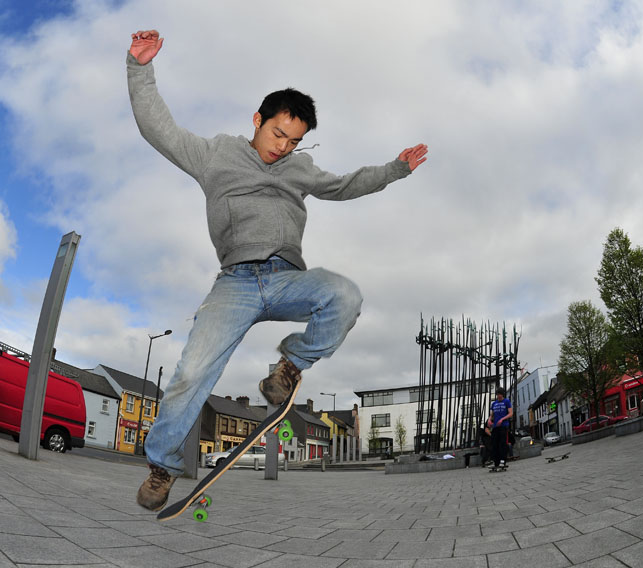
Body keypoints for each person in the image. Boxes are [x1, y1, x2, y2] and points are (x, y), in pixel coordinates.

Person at [127, 30, 428, 511]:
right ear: (257, 120)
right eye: (276, 134)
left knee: (345, 295)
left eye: (294, 141)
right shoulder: (216, 155)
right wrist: (139, 68)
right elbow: (158, 128)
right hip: (235, 284)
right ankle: (162, 467)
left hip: (288, 278)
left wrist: (396, 169)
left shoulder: (300, 168)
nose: (282, 147)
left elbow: (346, 184)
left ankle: (290, 367)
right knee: (192, 372)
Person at [488, 387, 513, 469]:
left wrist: (502, 419)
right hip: (495, 426)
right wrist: (489, 420)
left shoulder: (506, 401)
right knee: (494, 444)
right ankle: (495, 461)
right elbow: (492, 414)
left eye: (500, 394)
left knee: (503, 443)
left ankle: (503, 460)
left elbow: (510, 413)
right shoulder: (494, 404)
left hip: (503, 425)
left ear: (502, 394)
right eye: (497, 394)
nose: (498, 396)